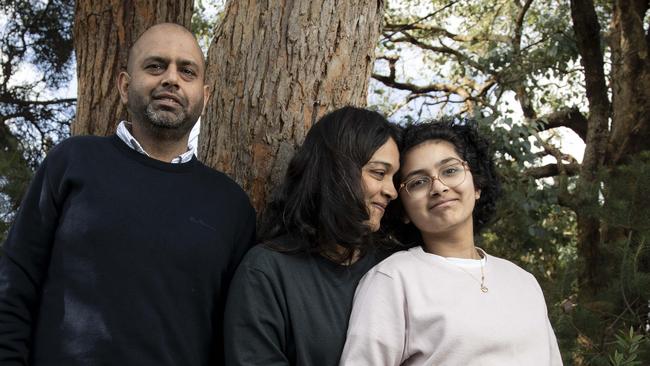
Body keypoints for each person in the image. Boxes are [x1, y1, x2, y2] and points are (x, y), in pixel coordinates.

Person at [0, 23, 256, 366]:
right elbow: (14, 283)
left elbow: (233, 338)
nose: (171, 78)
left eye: (187, 71)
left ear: (204, 97)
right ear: (124, 85)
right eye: (155, 66)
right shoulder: (73, 161)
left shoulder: (231, 206)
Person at [339, 120, 563, 365]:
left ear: (477, 185)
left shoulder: (524, 281)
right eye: (418, 182)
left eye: (450, 170)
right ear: (403, 209)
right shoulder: (393, 279)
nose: (438, 187)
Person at [223, 106, 401, 366]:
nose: (392, 191)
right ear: (338, 171)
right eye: (379, 173)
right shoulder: (266, 272)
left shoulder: (392, 267)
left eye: (395, 177)